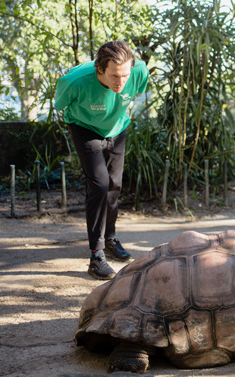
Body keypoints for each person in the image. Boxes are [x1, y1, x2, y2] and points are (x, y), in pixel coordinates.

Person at [55, 41, 149, 280]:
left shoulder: (138, 72)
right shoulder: (74, 81)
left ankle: (110, 238)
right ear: (99, 69)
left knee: (115, 185)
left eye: (125, 76)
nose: (121, 82)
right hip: (85, 129)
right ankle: (96, 255)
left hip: (117, 129)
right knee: (100, 184)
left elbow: (133, 85)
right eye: (115, 76)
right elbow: (60, 105)